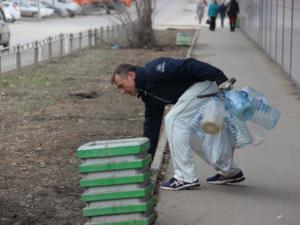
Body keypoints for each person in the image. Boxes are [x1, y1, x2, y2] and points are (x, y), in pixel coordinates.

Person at [111, 57, 245, 190]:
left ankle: (184, 178)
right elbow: (152, 128)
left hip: (204, 84)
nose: (123, 91)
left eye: (121, 86)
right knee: (189, 134)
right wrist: (147, 161)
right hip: (197, 92)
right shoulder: (148, 95)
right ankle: (230, 172)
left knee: (173, 120)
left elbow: (189, 65)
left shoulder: (153, 70)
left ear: (131, 75)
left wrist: (220, 78)